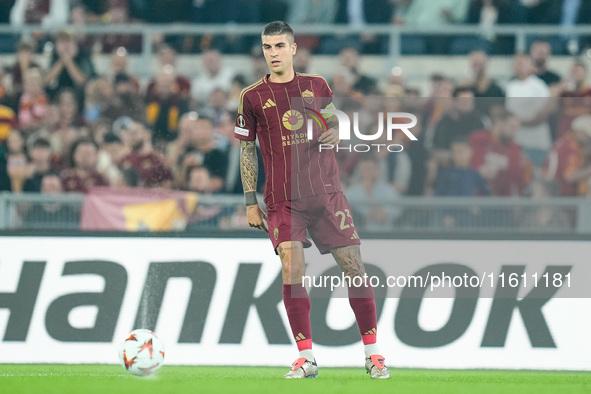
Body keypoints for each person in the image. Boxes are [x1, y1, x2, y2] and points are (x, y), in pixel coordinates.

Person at [235, 21, 389, 379]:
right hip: (282, 200)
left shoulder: (316, 85)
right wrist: (249, 200)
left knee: (354, 268)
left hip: (326, 193)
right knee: (292, 271)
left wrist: (335, 131)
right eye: (266, 47)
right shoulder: (251, 96)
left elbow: (333, 122)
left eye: (278, 46)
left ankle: (373, 354)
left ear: (293, 49)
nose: (272, 53)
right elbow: (246, 150)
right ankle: (306, 357)